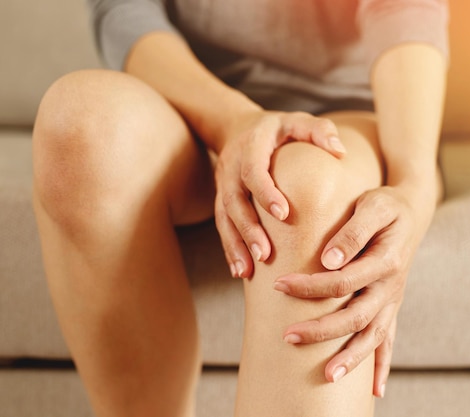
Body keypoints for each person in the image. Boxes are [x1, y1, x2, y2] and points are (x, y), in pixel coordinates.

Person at [32, 0, 448, 416]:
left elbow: (405, 11)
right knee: (80, 124)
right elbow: (123, 10)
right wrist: (235, 121)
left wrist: (415, 184)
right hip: (185, 107)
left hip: (346, 116)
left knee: (304, 193)